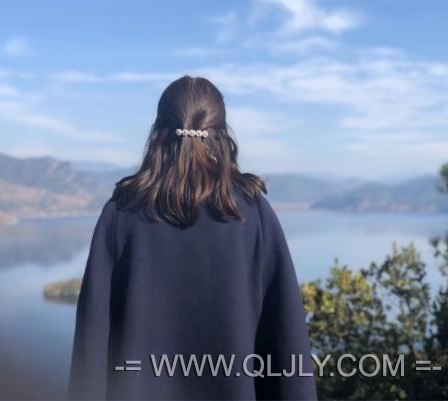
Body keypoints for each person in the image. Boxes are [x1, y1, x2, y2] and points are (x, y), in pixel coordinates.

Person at [67, 76, 317, 400]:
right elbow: (286, 337)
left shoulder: (122, 213)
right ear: (223, 135)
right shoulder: (252, 213)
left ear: (157, 133)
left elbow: (92, 340)